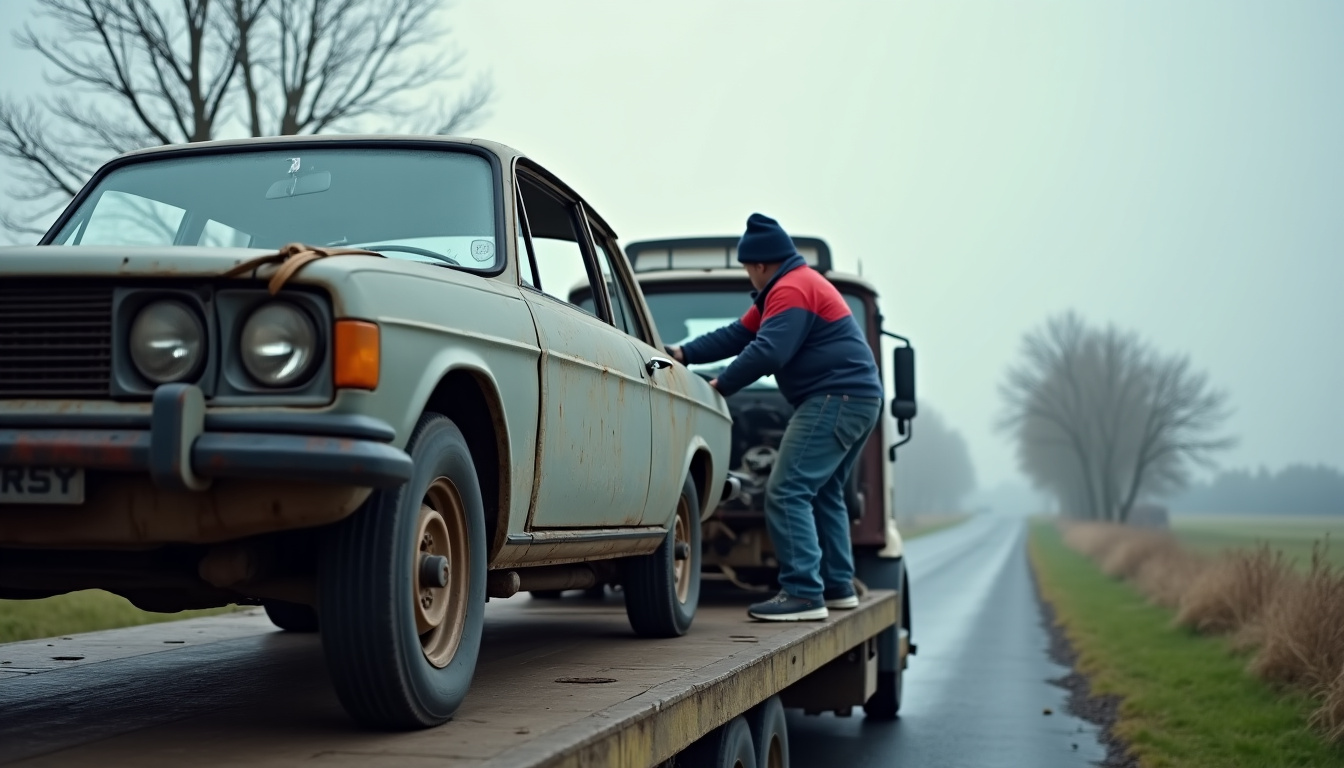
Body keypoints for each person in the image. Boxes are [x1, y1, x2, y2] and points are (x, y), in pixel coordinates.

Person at [666, 213, 883, 621]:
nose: (749, 276)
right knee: (824, 493)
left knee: (786, 490)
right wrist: (684, 353)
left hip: (835, 398)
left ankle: (802, 594)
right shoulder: (792, 287)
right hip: (859, 398)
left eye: (748, 269)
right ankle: (838, 587)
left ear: (760, 264)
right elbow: (738, 334)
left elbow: (769, 351)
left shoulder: (792, 289)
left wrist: (721, 384)